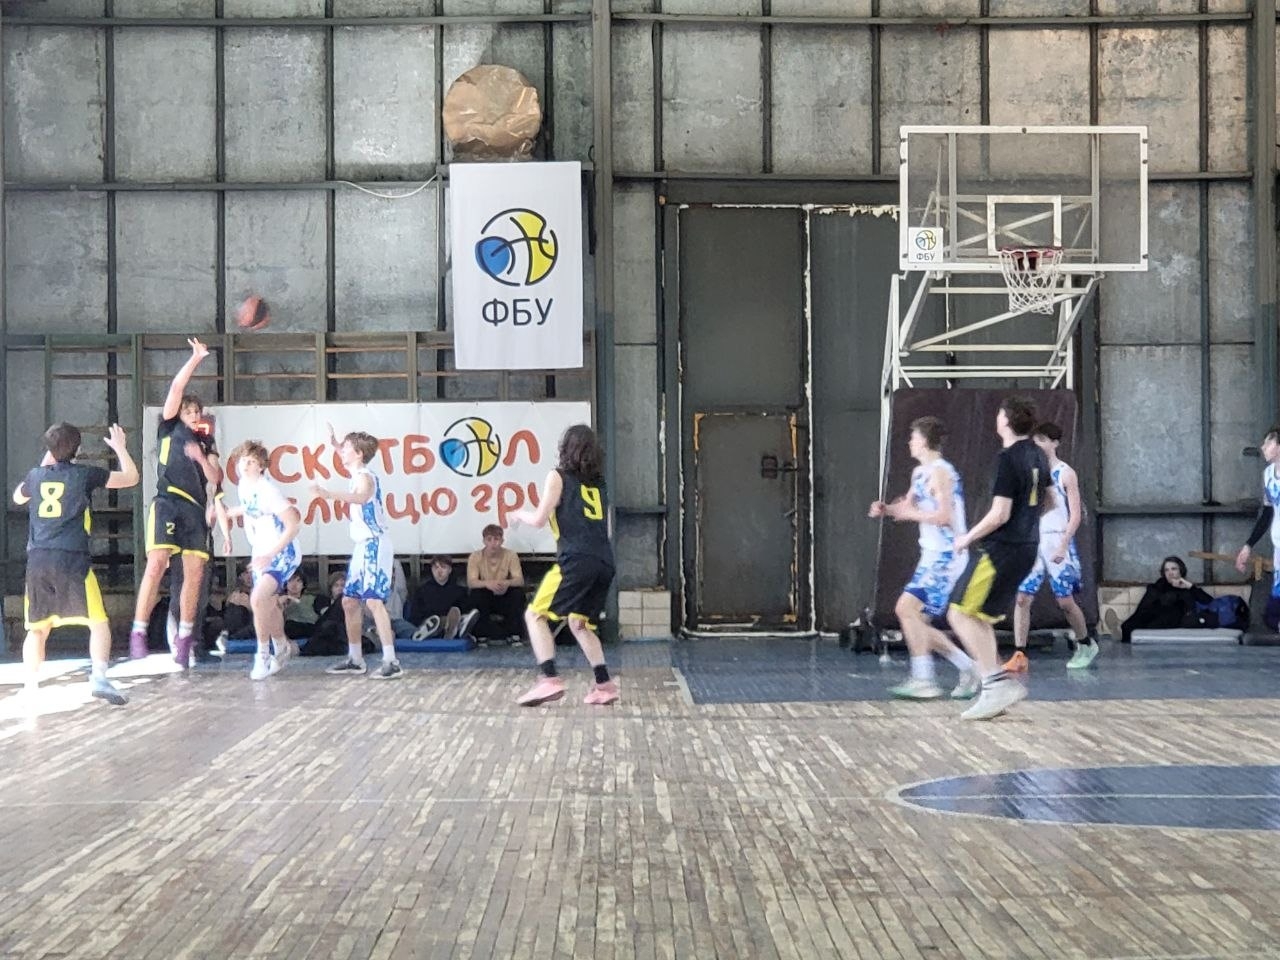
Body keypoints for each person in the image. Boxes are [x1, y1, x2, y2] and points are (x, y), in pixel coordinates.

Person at [13, 422, 139, 705]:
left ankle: (30, 686)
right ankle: (99, 677)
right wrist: (120, 448)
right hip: (71, 559)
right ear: (79, 450)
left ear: (48, 448)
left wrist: (48, 458)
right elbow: (131, 477)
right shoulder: (84, 474)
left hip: (38, 560)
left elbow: (17, 497)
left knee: (37, 628)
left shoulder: (35, 476)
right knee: (98, 622)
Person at [947, 396, 1051, 721]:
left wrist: (967, 537)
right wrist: (1027, 521)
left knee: (959, 613)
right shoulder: (1038, 454)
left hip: (1001, 549)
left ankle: (994, 683)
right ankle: (995, 687)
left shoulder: (1007, 459)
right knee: (980, 617)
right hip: (1028, 547)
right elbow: (1049, 502)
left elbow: (1000, 514)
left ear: (1005, 420)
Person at [128, 338, 223, 668]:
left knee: (194, 575)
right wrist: (195, 359)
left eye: (197, 411)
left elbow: (215, 477)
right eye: (188, 410)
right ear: (179, 412)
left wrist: (201, 458)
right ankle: (139, 630)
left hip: (194, 509)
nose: (193, 414)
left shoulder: (205, 441)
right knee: (157, 563)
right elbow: (176, 387)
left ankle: (185, 638)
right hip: (168, 501)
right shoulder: (169, 428)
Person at [869, 416, 979, 701]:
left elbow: (944, 516)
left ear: (925, 441)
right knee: (915, 621)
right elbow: (907, 506)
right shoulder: (919, 473)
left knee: (906, 610)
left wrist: (909, 515)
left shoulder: (942, 473)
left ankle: (925, 679)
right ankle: (968, 668)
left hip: (946, 556)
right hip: (930, 554)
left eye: (914, 437)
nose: (910, 442)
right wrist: (886, 510)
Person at [509, 424, 618, 706]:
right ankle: (604, 685)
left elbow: (539, 520)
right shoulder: (600, 484)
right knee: (579, 623)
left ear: (565, 448)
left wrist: (518, 514)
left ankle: (549, 679)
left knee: (534, 615)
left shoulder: (557, 476)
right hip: (605, 561)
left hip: (576, 559)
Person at [309, 425, 402, 679]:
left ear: (359, 453)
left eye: (347, 448)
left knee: (373, 601)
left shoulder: (365, 476)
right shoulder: (356, 471)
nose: (342, 452)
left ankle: (391, 660)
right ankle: (355, 657)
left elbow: (361, 497)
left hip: (374, 543)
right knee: (349, 601)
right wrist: (335, 444)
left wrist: (328, 494)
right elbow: (345, 454)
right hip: (362, 545)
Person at [1006, 421, 1100, 672]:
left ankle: (1085, 642)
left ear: (1055, 443)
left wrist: (1063, 544)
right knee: (1022, 597)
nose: (1038, 445)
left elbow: (1075, 515)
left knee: (1065, 601)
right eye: (1035, 440)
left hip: (1057, 539)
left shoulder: (1065, 473)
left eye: (1043, 440)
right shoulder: (1032, 474)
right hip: (1034, 541)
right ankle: (1020, 653)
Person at [224, 440, 302, 680]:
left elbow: (293, 524)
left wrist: (271, 554)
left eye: (251, 462)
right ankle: (281, 646)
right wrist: (230, 513)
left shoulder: (269, 491)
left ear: (261, 467)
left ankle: (263, 654)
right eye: (242, 461)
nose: (245, 466)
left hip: (281, 552)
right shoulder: (243, 486)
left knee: (257, 598)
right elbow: (251, 508)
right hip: (260, 553)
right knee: (267, 605)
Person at [1236, 425, 1280, 629]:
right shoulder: (1268, 474)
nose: (1263, 447)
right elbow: (1268, 512)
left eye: (1268, 442)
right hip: (1278, 544)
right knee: (1272, 614)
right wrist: (1248, 546)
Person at [1118, 556, 1212, 642]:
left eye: (1173, 569)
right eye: (1166, 570)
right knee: (1134, 622)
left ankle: (1124, 631)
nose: (1170, 573)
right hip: (1154, 619)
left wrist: (1190, 586)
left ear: (1181, 570)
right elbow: (1143, 609)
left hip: (1175, 622)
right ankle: (1122, 630)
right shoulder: (1157, 587)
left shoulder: (1187, 589)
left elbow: (1210, 602)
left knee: (1171, 608)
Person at [467, 524, 527, 642]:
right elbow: (471, 582)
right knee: (476, 594)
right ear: (484, 541)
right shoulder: (475, 556)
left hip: (504, 593)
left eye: (496, 539)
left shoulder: (511, 555)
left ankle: (515, 634)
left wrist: (506, 583)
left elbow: (519, 580)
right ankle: (481, 635)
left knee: (518, 594)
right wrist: (488, 584)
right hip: (486, 595)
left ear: (502, 541)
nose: (493, 543)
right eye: (489, 539)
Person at [410, 555, 475, 640]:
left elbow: (464, 610)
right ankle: (446, 628)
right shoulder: (422, 591)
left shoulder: (460, 592)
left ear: (450, 570)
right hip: (429, 626)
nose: (439, 571)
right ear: (431, 569)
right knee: (436, 622)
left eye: (443, 567)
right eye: (436, 567)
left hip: (456, 623)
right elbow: (415, 616)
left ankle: (453, 628)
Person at [281, 572, 319, 640]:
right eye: (290, 580)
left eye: (298, 581)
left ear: (303, 585)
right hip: (288, 633)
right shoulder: (280, 600)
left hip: (311, 632)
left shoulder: (312, 599)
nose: (294, 584)